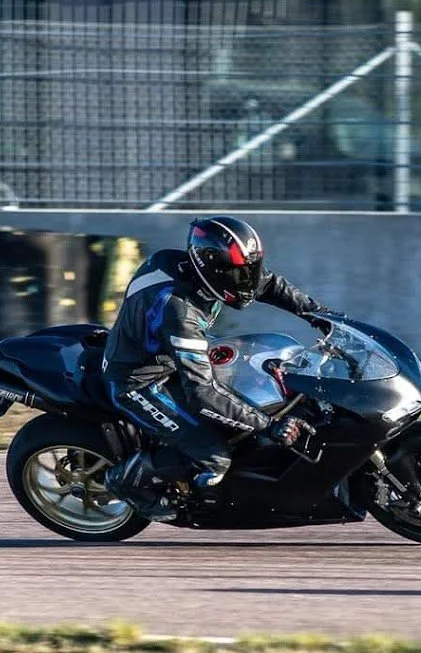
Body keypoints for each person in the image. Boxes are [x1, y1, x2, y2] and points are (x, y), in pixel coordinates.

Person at [101, 216, 336, 519]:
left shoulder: (196, 270)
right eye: (239, 274)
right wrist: (268, 425)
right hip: (140, 382)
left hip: (171, 356)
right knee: (215, 457)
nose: (248, 282)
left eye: (250, 270)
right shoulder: (180, 310)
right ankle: (126, 481)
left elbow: (270, 284)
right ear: (211, 268)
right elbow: (201, 392)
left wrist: (321, 316)